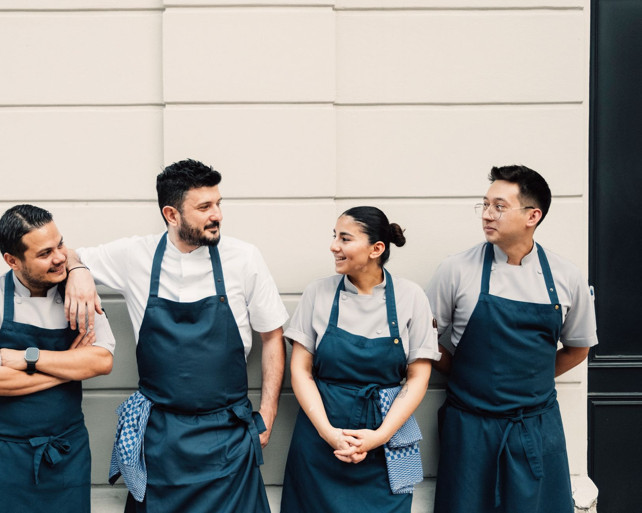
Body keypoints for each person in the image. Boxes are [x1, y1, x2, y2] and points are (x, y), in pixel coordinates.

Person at [64, 159, 288, 513]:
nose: (217, 215)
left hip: (229, 436)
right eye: (204, 207)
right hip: (160, 439)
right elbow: (66, 254)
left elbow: (273, 337)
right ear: (171, 213)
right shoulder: (133, 255)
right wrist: (77, 270)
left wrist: (268, 414)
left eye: (218, 203)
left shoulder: (244, 257)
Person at [426, 165, 599, 513]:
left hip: (536, 428)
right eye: (485, 205)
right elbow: (426, 338)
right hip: (470, 428)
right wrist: (463, 373)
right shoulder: (456, 269)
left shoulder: (566, 277)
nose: (487, 215)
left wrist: (529, 380)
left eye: (499, 206)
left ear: (532, 215)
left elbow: (579, 347)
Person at [280, 206, 440, 513]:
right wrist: (330, 434)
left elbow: (419, 376)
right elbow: (300, 371)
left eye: (345, 238)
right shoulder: (318, 293)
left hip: (387, 441)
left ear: (376, 249)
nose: (333, 246)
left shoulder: (411, 297)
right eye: (334, 236)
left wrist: (379, 436)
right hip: (320, 439)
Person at [0, 204, 115, 513]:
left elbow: (101, 362)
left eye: (60, 245)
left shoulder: (78, 294)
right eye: (44, 253)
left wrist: (29, 359)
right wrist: (69, 365)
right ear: (12, 261)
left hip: (65, 455)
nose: (59, 257)